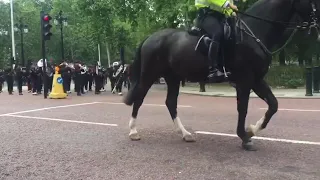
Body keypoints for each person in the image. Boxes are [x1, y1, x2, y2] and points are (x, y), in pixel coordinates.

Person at [195, 0, 238, 78]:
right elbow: (220, 2)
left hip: (219, 16)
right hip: (206, 15)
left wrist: (231, 12)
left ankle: (226, 65)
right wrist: (229, 5)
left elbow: (222, 7)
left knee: (232, 33)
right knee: (217, 33)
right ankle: (212, 68)